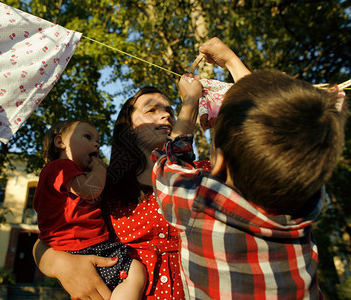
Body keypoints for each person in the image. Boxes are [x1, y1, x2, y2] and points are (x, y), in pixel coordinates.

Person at [32, 38, 250, 300]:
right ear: (128, 128)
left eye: (170, 109)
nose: (167, 115)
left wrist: (231, 62)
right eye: (152, 109)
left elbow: (261, 134)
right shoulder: (104, 185)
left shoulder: (201, 174)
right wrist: (60, 265)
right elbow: (49, 237)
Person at [152, 43, 348, 298]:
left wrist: (189, 102)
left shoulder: (198, 204)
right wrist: (232, 61)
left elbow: (171, 161)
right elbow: (279, 125)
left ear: (219, 163)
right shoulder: (306, 204)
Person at [33, 120, 146, 300]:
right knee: (135, 271)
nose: (97, 144)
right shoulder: (61, 166)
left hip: (75, 251)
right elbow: (89, 190)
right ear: (61, 142)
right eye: (88, 136)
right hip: (87, 247)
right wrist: (100, 169)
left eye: (98, 140)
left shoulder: (63, 174)